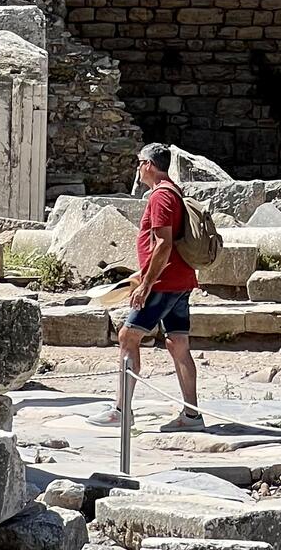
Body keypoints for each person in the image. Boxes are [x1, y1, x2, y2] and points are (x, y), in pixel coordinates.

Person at [96, 143, 203, 433]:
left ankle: (121, 410)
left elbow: (163, 244)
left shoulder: (160, 196)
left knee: (127, 337)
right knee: (178, 343)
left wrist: (145, 284)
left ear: (149, 165)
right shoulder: (173, 191)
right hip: (180, 280)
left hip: (164, 283)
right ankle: (192, 415)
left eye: (139, 162)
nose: (137, 168)